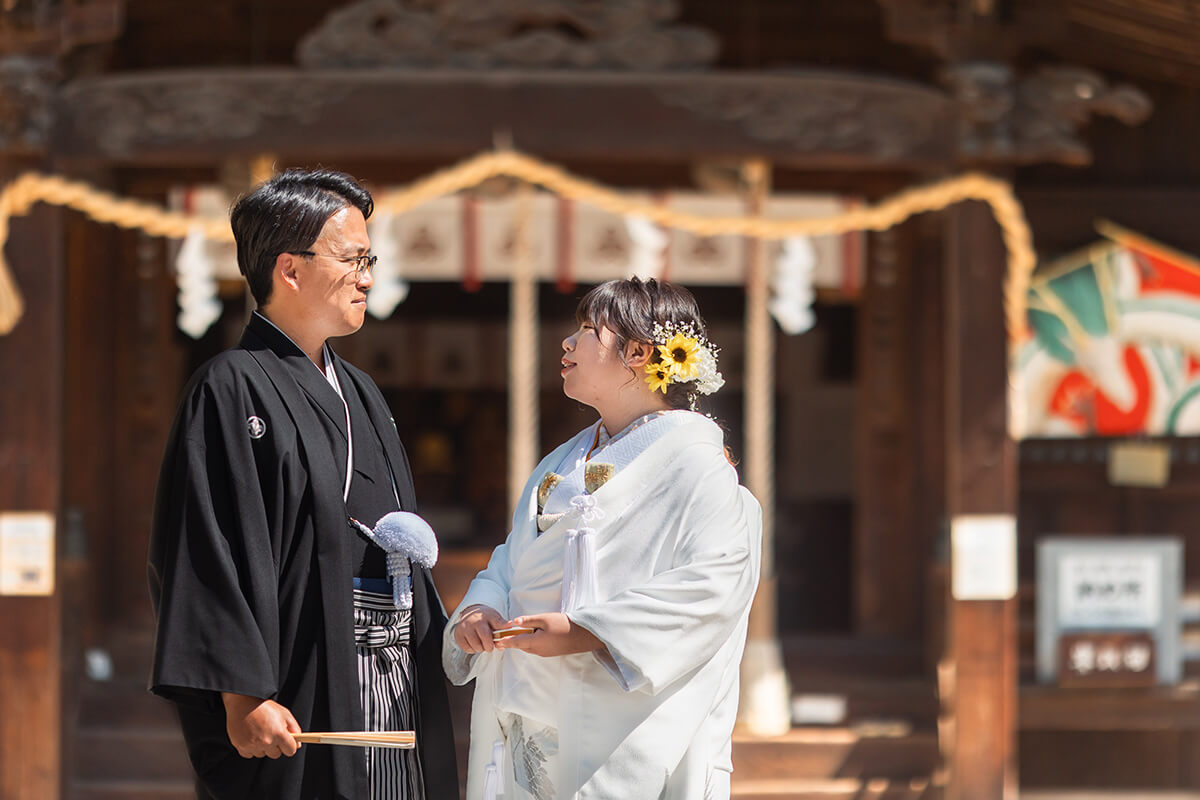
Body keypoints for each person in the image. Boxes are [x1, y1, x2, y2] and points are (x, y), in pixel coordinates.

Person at [148, 169, 458, 800]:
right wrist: (243, 692)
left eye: (370, 259)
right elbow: (207, 547)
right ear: (290, 269)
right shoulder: (230, 386)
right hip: (297, 668)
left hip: (387, 664)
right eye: (353, 260)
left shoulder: (363, 392)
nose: (367, 277)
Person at [443, 277, 763, 800]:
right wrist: (482, 607)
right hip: (530, 701)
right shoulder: (563, 459)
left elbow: (712, 586)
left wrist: (586, 630)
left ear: (637, 353)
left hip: (616, 713)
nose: (567, 344)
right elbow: (511, 561)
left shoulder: (697, 466)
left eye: (589, 331)